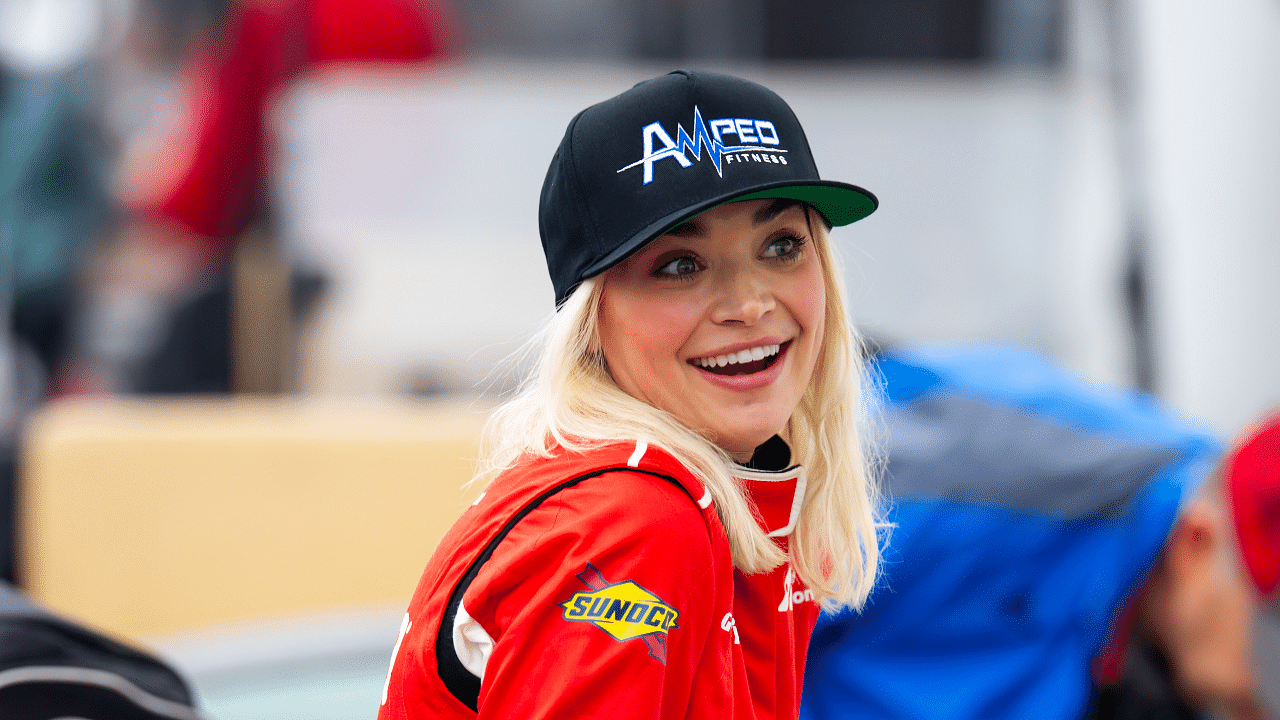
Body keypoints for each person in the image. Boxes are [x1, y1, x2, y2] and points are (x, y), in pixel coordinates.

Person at [378, 69, 882, 719]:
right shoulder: (633, 521)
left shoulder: (732, 496)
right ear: (590, 325)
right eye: (680, 266)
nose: (751, 302)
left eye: (782, 245)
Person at [800, 342, 1279, 720]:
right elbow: (752, 582)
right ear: (1198, 543)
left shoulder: (1181, 661)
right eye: (1266, 652)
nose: (1263, 700)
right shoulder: (991, 459)